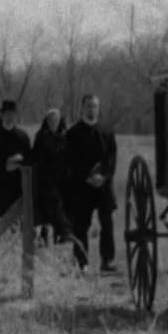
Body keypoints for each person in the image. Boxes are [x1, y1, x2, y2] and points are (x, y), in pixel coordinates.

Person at [63, 94, 118, 273]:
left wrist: (104, 176)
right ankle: (82, 263)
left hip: (103, 186)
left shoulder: (107, 132)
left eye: (94, 106)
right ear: (82, 108)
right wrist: (86, 177)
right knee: (80, 225)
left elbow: (111, 160)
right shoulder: (72, 133)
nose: (92, 109)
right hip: (81, 186)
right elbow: (69, 161)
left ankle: (107, 261)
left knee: (107, 224)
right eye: (88, 106)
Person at [29, 107, 74, 246]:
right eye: (50, 120)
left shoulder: (66, 137)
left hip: (63, 178)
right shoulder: (41, 137)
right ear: (47, 122)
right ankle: (63, 231)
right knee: (52, 204)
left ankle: (61, 235)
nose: (53, 122)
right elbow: (34, 157)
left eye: (56, 120)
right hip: (46, 178)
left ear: (60, 121)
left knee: (65, 203)